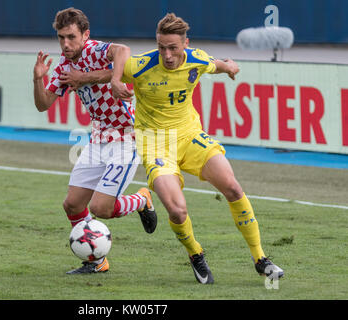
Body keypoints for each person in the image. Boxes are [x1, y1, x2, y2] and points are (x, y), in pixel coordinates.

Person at [110, 13, 284, 284]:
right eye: (161, 47)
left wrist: (230, 67)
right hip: (155, 143)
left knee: (233, 187)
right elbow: (115, 60)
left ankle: (260, 259)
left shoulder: (197, 59)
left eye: (173, 48)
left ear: (185, 44)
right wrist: (112, 78)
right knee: (177, 210)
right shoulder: (142, 65)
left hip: (190, 136)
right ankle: (195, 254)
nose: (166, 55)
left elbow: (216, 65)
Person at [33, 7, 157, 274]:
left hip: (127, 137)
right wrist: (38, 79)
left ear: (85, 35)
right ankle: (96, 261)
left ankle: (142, 199)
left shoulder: (93, 50)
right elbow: (43, 105)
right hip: (99, 138)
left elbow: (123, 51)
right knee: (72, 204)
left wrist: (109, 78)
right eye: (60, 38)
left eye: (71, 37)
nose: (65, 44)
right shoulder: (65, 68)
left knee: (101, 208)